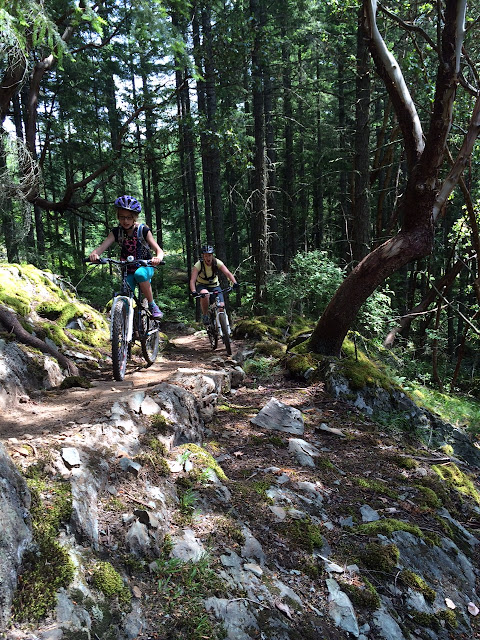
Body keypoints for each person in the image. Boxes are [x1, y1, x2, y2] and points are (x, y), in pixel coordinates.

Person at [89, 195, 165, 318]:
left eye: (129, 217)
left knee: (140, 274)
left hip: (146, 266)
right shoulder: (117, 232)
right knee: (124, 294)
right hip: (128, 269)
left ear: (134, 217)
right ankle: (125, 323)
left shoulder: (143, 230)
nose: (125, 221)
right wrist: (94, 254)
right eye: (122, 217)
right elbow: (102, 247)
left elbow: (159, 250)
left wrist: (158, 258)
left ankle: (152, 305)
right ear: (118, 217)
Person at [189, 245, 239, 323]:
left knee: (221, 306)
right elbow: (192, 280)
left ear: (212, 255)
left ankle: (222, 326)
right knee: (205, 294)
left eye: (209, 255)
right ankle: (205, 315)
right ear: (203, 256)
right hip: (202, 285)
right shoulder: (198, 265)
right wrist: (193, 291)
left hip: (215, 285)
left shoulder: (217, 262)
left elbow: (228, 273)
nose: (208, 258)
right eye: (206, 256)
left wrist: (234, 282)